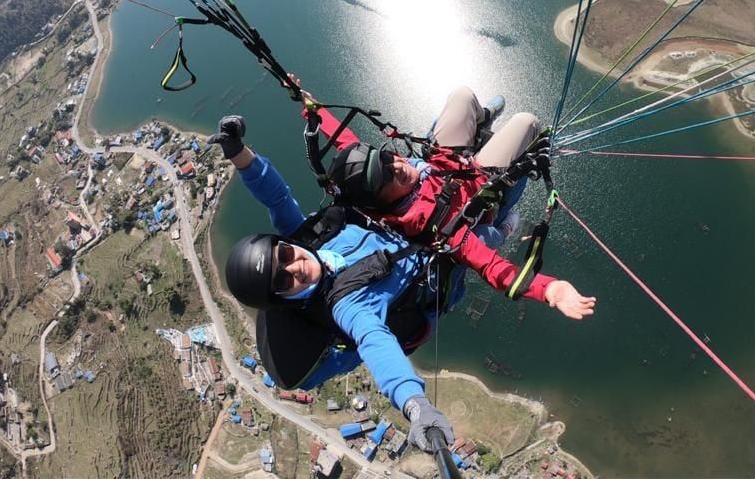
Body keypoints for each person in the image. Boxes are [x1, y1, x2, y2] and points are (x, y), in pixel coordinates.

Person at [212, 114, 595, 452]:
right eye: (284, 280)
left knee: (454, 125)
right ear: (283, 299)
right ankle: (502, 225)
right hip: (446, 247)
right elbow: (377, 347)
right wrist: (417, 406)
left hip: (419, 215)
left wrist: (238, 152)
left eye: (283, 254)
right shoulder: (346, 305)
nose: (293, 265)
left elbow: (276, 196)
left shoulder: (309, 238)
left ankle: (477, 126)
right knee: (495, 224)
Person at [322, 86, 562, 301]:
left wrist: (312, 108)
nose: (395, 166)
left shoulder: (393, 177)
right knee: (527, 122)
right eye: (384, 177)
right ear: (378, 202)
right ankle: (503, 229)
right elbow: (490, 267)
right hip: (481, 184)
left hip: (445, 161)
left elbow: (346, 143)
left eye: (385, 158)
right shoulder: (442, 228)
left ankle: (483, 117)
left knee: (462, 95)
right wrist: (548, 289)